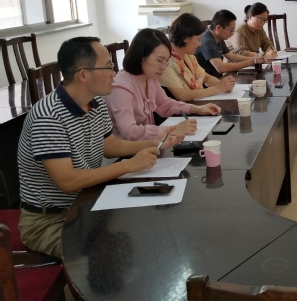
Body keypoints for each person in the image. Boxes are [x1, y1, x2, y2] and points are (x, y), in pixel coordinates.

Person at [17, 37, 184, 259]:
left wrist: (153, 143)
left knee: (148, 227)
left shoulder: (94, 103)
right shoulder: (48, 117)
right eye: (107, 67)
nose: (113, 73)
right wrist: (127, 166)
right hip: (51, 220)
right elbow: (67, 181)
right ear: (83, 75)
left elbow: (109, 145)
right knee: (112, 254)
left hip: (86, 204)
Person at [105, 28, 221, 140]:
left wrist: (197, 109)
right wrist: (171, 130)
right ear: (140, 56)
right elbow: (130, 132)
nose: (164, 67)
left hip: (149, 144)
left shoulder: (150, 78)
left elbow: (164, 104)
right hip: (129, 150)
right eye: (159, 61)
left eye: (166, 61)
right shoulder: (121, 88)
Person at [160, 14, 236, 101]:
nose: (200, 44)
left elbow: (206, 78)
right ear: (186, 38)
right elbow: (182, 96)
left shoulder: (188, 56)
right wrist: (218, 88)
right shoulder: (165, 61)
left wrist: (224, 85)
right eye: (199, 39)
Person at [195, 9, 266, 78]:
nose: (232, 33)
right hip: (206, 82)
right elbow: (221, 68)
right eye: (231, 30)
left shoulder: (218, 37)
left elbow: (232, 57)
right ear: (219, 28)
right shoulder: (208, 41)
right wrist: (250, 62)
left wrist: (254, 59)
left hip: (217, 79)